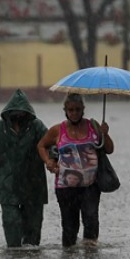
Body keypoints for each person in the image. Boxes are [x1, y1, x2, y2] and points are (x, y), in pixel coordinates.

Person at [37, 93, 114, 248]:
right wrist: (49, 161)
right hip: (65, 187)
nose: (74, 113)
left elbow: (109, 149)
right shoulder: (58, 130)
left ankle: (89, 258)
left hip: (91, 185)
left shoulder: (94, 127)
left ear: (83, 109)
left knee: (91, 220)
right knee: (69, 227)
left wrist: (105, 133)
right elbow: (41, 145)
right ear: (65, 110)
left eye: (77, 109)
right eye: (70, 110)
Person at [0, 89, 48, 248]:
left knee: (33, 231)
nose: (18, 117)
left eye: (22, 114)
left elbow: (50, 144)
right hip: (7, 183)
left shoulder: (37, 126)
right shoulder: (0, 128)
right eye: (15, 113)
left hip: (33, 184)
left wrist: (55, 159)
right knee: (11, 223)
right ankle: (14, 254)